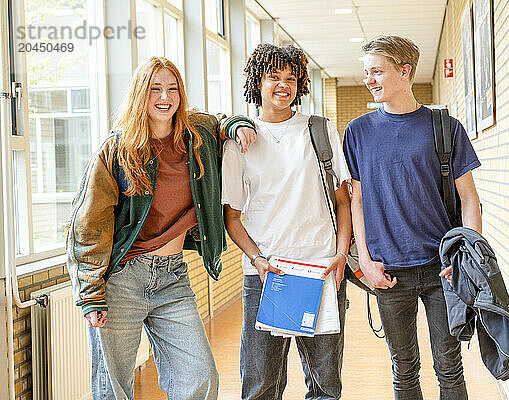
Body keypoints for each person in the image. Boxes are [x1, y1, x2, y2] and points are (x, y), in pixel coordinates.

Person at [65, 56, 256, 400]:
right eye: (155, 89)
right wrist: (90, 294)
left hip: (173, 278)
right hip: (124, 279)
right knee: (114, 389)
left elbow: (223, 122)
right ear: (141, 94)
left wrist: (238, 125)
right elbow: (88, 223)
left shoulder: (197, 135)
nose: (165, 97)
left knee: (200, 378)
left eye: (172, 89)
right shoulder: (118, 149)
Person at [342, 36, 482, 400]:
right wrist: (366, 263)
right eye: (366, 72)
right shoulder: (358, 132)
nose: (369, 80)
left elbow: (469, 199)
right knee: (403, 370)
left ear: (404, 72)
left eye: (377, 71)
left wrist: (466, 258)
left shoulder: (444, 126)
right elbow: (358, 200)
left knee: (449, 368)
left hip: (442, 268)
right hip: (388, 272)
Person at [221, 43, 352, 400]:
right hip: (268, 274)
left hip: (321, 270)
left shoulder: (320, 130)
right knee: (261, 385)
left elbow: (343, 201)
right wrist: (257, 259)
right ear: (257, 81)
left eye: (291, 78)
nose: (283, 85)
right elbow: (232, 217)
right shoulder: (239, 143)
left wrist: (340, 254)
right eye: (274, 76)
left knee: (326, 384)